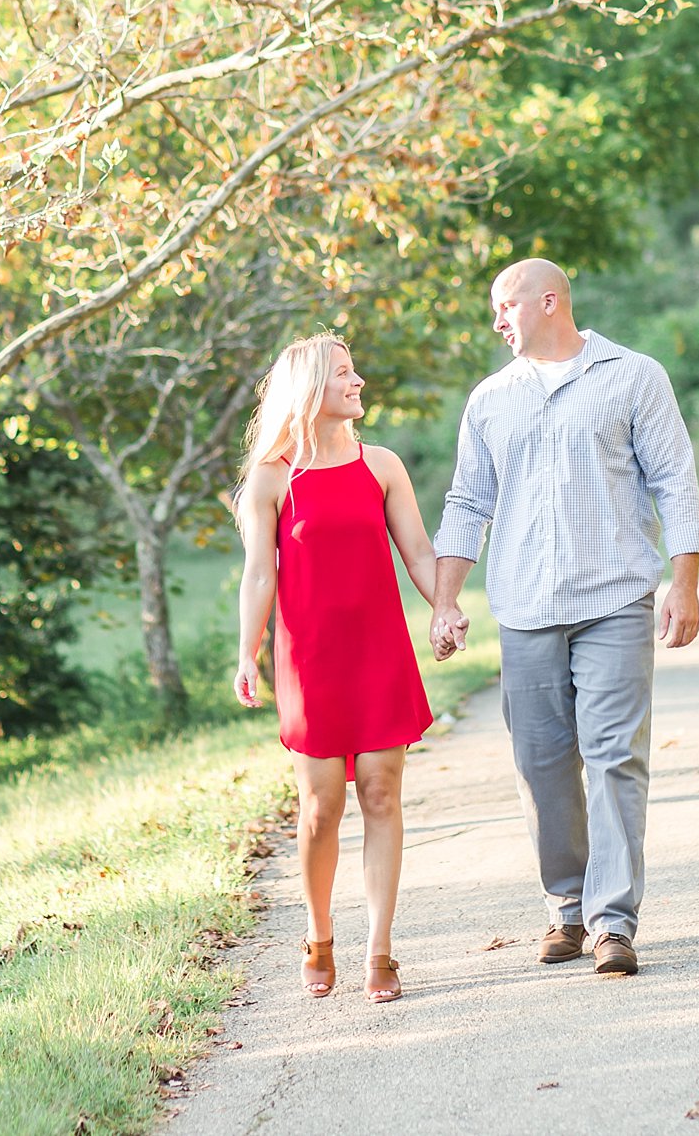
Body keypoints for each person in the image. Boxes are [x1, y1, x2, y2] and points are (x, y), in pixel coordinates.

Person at [429, 258, 699, 977]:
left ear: (547, 300)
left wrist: (684, 582)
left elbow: (675, 479)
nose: (496, 320)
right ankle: (568, 907)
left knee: (616, 757)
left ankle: (613, 922)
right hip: (523, 608)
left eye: (504, 305)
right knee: (541, 764)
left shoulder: (634, 375)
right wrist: (446, 598)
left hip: (615, 597)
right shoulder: (491, 399)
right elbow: (468, 503)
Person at [233, 333, 440, 1004]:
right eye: (344, 374)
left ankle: (380, 950)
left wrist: (446, 605)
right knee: (321, 806)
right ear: (311, 389)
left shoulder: (381, 464)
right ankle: (320, 935)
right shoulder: (270, 478)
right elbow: (260, 572)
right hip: (310, 657)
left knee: (381, 792)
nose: (358, 383)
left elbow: (416, 548)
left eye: (355, 372)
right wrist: (248, 650)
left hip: (378, 647)